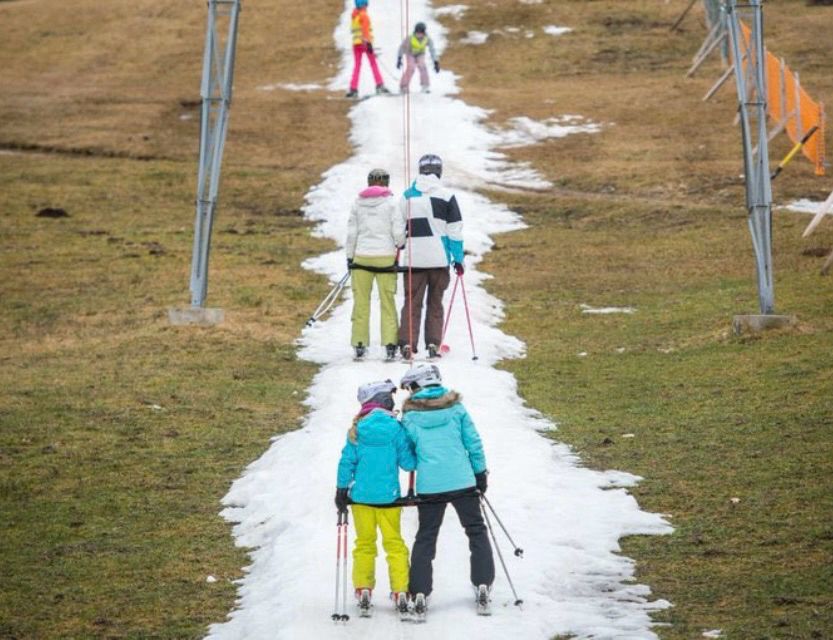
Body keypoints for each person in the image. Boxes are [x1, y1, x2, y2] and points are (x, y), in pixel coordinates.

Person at [398, 364, 494, 619]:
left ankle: (419, 591)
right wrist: (480, 473)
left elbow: (408, 461)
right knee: (475, 529)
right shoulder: (456, 408)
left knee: (426, 536)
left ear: (418, 385)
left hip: (430, 486)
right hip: (463, 481)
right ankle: (483, 583)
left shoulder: (408, 416)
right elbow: (473, 442)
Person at [335, 379, 417, 616]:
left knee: (364, 544)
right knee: (394, 544)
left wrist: (341, 490)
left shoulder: (357, 430)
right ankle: (401, 589)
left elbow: (346, 462)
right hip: (389, 499)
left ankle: (363, 587)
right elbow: (408, 463)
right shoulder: (396, 429)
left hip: (360, 500)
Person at [398, 154, 464, 360]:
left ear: (420, 171)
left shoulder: (406, 196)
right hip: (439, 260)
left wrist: (400, 246)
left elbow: (399, 229)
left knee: (412, 302)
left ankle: (407, 343)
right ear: (439, 171)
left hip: (413, 260)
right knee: (436, 302)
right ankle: (433, 343)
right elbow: (454, 231)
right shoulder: (447, 196)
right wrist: (458, 259)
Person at [346, 168, 405, 361]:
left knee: (361, 302)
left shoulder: (357, 204)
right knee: (387, 302)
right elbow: (398, 231)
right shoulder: (391, 204)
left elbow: (352, 233)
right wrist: (401, 242)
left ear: (369, 182)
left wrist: (350, 257)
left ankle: (360, 344)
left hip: (361, 257)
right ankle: (389, 344)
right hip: (385, 258)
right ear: (386, 183)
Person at [346, 0, 390, 98]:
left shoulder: (354, 16)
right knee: (373, 64)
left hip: (356, 44)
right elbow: (365, 31)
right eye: (366, 4)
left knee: (357, 66)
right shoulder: (364, 15)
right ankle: (380, 85)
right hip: (365, 43)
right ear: (364, 5)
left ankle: (353, 89)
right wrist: (368, 44)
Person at [397, 22, 440, 94]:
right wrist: (399, 58)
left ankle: (425, 85)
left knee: (422, 66)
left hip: (420, 54)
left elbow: (432, 50)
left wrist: (435, 62)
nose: (419, 35)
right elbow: (402, 47)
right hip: (410, 54)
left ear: (424, 33)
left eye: (421, 33)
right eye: (417, 33)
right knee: (411, 67)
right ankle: (403, 86)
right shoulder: (410, 38)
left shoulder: (427, 39)